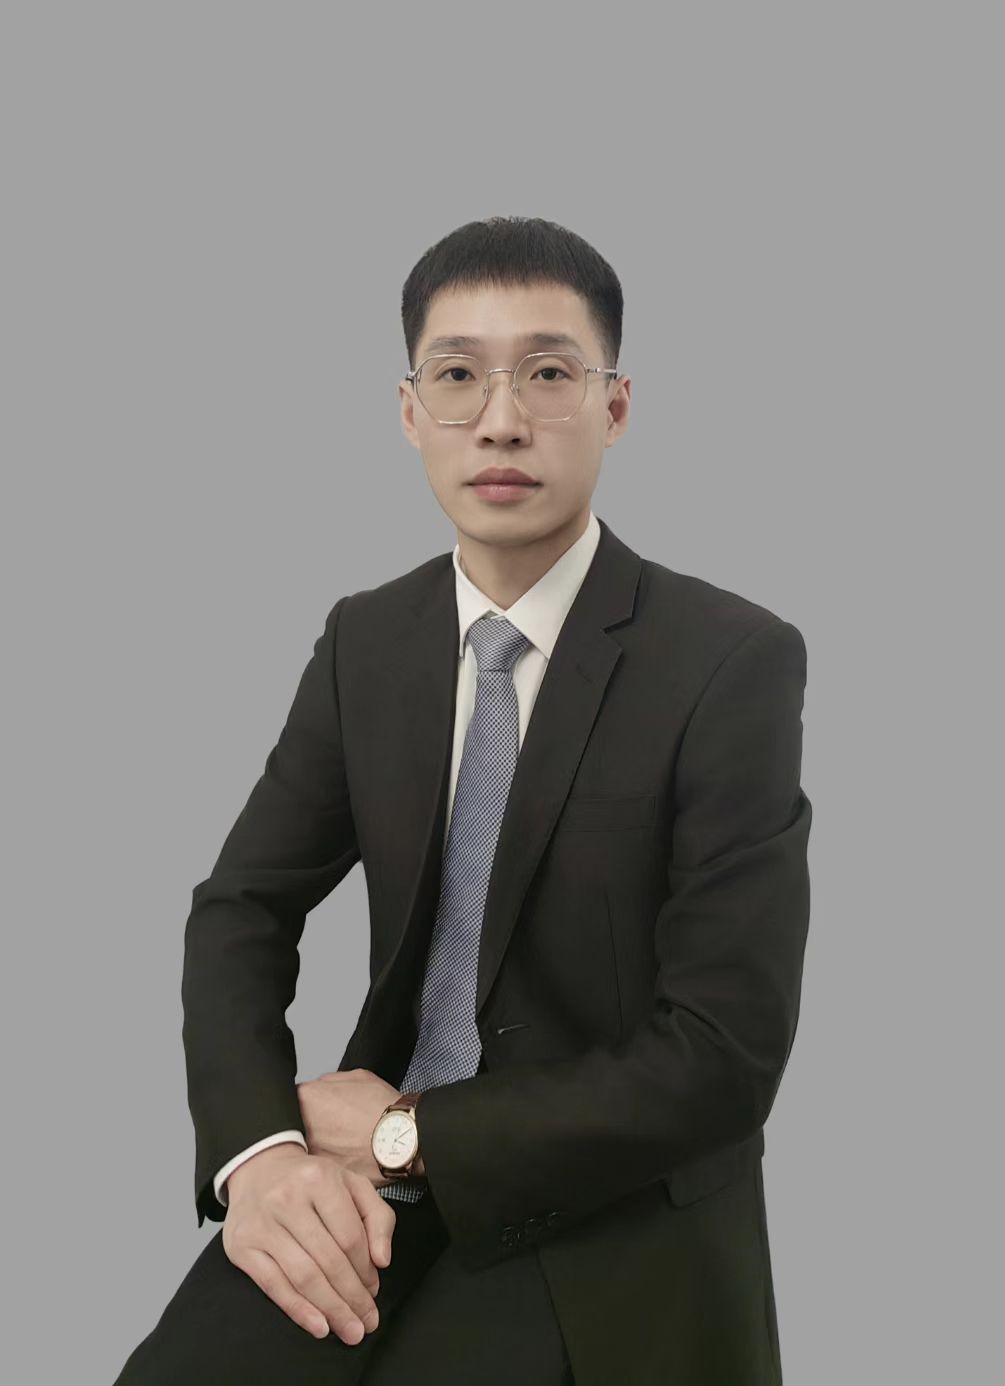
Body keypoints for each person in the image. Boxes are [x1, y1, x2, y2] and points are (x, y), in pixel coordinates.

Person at [115, 214, 811, 1384]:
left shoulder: (727, 660)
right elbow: (240, 907)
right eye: (456, 376)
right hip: (363, 1180)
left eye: (548, 373)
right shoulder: (368, 640)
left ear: (615, 406)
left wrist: (411, 1133)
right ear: (409, 411)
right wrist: (263, 1155)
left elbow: (724, 1051)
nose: (501, 420)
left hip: (606, 1213)